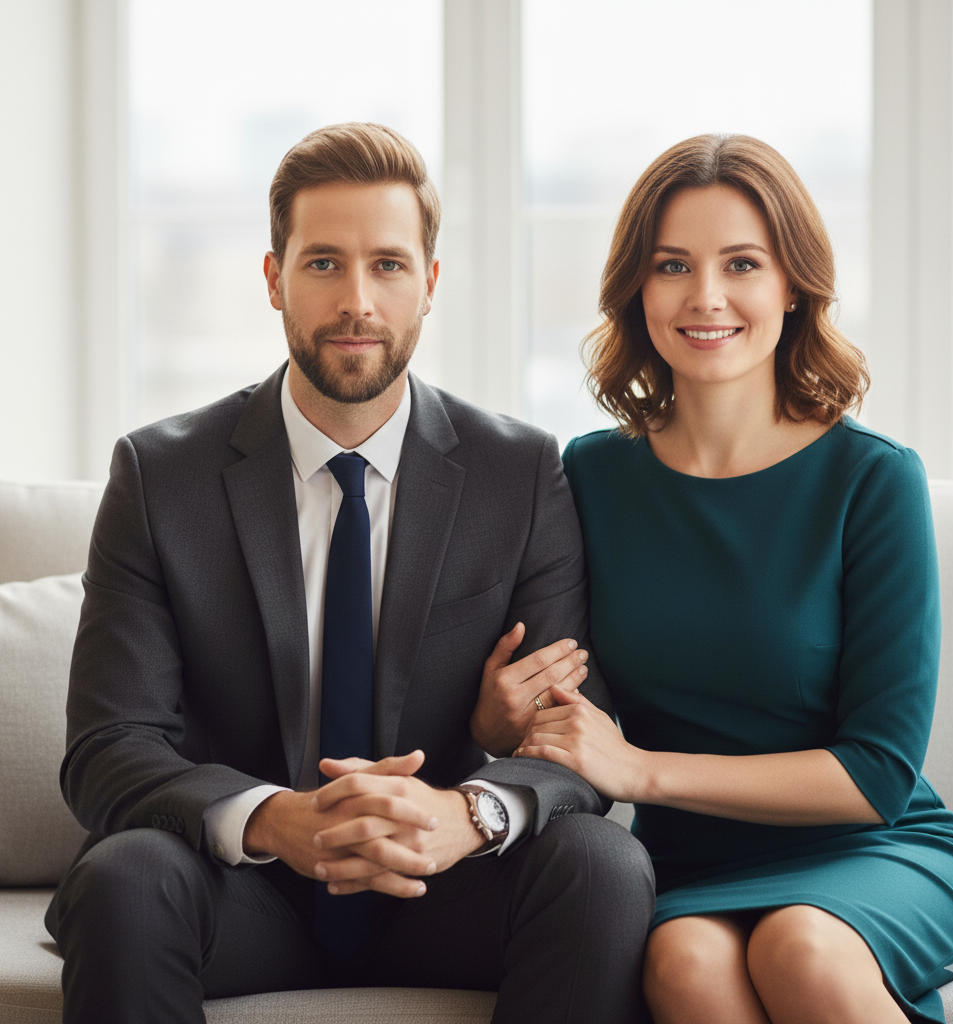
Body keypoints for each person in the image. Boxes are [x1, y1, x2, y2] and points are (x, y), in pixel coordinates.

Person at [45, 122, 654, 1024]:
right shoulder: (158, 476)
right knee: (123, 876)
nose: (357, 301)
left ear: (431, 284)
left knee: (605, 867)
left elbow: (579, 749)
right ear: (273, 277)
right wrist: (270, 819)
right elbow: (107, 749)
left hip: (450, 885)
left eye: (389, 265)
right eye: (324, 263)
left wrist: (468, 814)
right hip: (241, 890)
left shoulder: (520, 473)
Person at [498, 135, 953, 1023]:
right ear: (637, 290)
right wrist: (499, 716)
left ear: (792, 285)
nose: (706, 297)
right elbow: (567, 694)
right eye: (673, 265)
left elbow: (876, 773)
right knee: (685, 963)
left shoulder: (873, 477)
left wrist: (644, 772)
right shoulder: (591, 478)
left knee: (799, 945)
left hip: (879, 850)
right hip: (695, 867)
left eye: (742, 264)